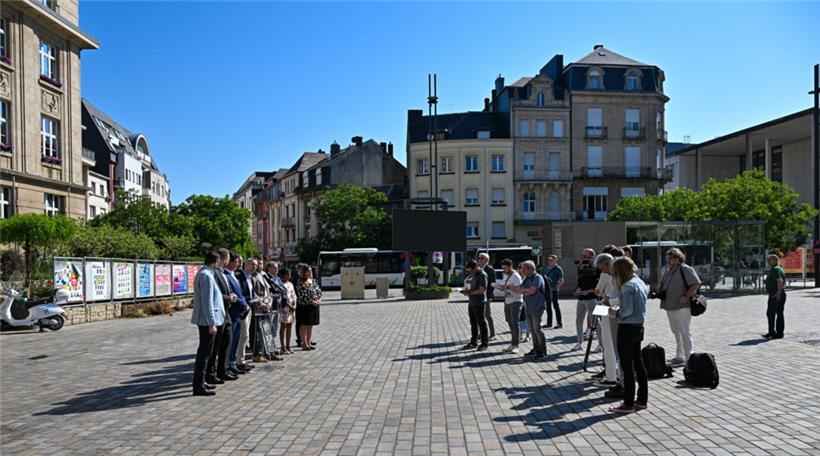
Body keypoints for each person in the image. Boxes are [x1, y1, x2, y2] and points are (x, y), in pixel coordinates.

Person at [608, 256, 649, 413]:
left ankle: (628, 403)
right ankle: (642, 399)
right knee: (638, 363)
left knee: (627, 366)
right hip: (639, 326)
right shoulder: (640, 282)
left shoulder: (627, 286)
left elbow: (627, 311)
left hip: (626, 327)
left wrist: (614, 312)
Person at [191, 252, 226, 396]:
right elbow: (207, 302)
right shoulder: (206, 275)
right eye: (218, 262)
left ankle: (202, 381)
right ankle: (198, 385)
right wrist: (211, 322)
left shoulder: (205, 273)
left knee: (206, 352)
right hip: (206, 321)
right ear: (215, 262)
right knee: (204, 354)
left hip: (207, 320)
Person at [658, 248, 700, 364]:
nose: (669, 260)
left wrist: (686, 296)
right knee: (676, 331)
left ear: (678, 258)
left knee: (684, 331)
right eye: (668, 258)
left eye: (672, 258)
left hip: (682, 306)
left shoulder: (685, 269)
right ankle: (680, 355)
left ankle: (689, 357)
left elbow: (696, 283)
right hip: (670, 305)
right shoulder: (668, 270)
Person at [206, 248, 238, 384]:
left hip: (226, 312)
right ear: (224, 258)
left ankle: (223, 370)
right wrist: (229, 298)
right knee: (217, 345)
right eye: (228, 258)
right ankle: (212, 373)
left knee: (227, 342)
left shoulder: (222, 273)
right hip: (220, 312)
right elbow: (215, 295)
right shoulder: (214, 274)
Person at [512, 260, 548, 359]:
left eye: (523, 269)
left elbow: (532, 291)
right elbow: (520, 290)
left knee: (537, 329)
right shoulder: (527, 278)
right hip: (528, 307)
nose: (521, 271)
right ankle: (536, 349)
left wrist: (526, 291)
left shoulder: (537, 277)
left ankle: (542, 351)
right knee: (532, 330)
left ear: (529, 269)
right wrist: (525, 291)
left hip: (537, 307)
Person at [224, 252, 251, 376]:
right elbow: (233, 295)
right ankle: (228, 365)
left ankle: (233, 363)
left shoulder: (234, 275)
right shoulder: (226, 275)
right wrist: (243, 305)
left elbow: (240, 293)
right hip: (234, 312)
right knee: (231, 341)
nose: (238, 264)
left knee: (236, 340)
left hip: (239, 313)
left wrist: (245, 305)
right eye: (236, 261)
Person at [493, 258, 523, 354]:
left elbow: (519, 289)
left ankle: (516, 345)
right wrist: (499, 287)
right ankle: (513, 343)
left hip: (516, 301)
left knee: (515, 323)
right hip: (508, 300)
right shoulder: (506, 275)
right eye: (503, 268)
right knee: (510, 322)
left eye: (505, 268)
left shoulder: (516, 276)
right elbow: (506, 288)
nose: (504, 270)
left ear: (510, 267)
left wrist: (507, 287)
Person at [237, 258, 263, 367]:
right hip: (243, 310)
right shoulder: (239, 277)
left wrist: (256, 297)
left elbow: (252, 293)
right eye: (252, 264)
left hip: (251, 309)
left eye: (256, 265)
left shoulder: (250, 278)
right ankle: (239, 361)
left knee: (247, 336)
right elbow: (240, 295)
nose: (254, 267)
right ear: (246, 265)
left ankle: (241, 360)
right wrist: (249, 300)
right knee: (243, 336)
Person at [461, 260, 489, 350]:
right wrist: (466, 292)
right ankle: (473, 342)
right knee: (473, 324)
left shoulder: (482, 275)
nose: (470, 272)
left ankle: (484, 343)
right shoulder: (474, 274)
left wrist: (470, 293)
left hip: (479, 302)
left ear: (476, 267)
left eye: (471, 270)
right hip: (472, 302)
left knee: (481, 323)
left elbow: (482, 290)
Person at [574, 248, 599, 351]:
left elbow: (599, 285)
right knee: (578, 320)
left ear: (592, 257)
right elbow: (579, 282)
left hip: (591, 298)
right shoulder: (581, 267)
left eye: (587, 257)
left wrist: (589, 291)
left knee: (595, 322)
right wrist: (577, 289)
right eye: (583, 256)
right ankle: (579, 342)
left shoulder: (597, 268)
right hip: (581, 298)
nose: (584, 259)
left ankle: (600, 344)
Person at [295, 263, 322, 350]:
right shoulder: (301, 282)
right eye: (308, 271)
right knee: (304, 325)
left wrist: (318, 300)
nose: (310, 273)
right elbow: (302, 295)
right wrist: (312, 301)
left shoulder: (313, 281)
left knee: (310, 325)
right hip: (305, 306)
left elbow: (319, 292)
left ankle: (309, 342)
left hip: (314, 306)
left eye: (310, 271)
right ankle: (304, 343)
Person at [763, 254, 786, 339]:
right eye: (767, 260)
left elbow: (779, 280)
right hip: (778, 293)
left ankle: (773, 332)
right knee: (778, 313)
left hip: (775, 294)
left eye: (769, 260)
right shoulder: (778, 268)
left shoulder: (776, 269)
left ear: (775, 260)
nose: (768, 261)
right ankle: (777, 333)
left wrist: (778, 293)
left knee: (771, 313)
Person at [477, 252, 497, 341]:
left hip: (486, 297)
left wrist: (488, 297)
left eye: (481, 258)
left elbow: (492, 284)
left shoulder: (490, 269)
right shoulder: (479, 269)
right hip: (479, 296)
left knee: (487, 315)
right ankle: (482, 333)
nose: (479, 260)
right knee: (480, 315)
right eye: (479, 258)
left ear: (487, 260)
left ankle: (493, 334)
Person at [543, 255, 564, 329]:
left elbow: (561, 280)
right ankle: (549, 323)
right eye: (549, 260)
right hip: (547, 290)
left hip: (554, 290)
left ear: (555, 261)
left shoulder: (558, 269)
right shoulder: (547, 268)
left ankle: (559, 323)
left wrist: (556, 288)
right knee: (548, 306)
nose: (550, 261)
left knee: (556, 306)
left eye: (551, 260)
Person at [279, 268, 297, 354]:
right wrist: (289, 306)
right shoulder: (280, 284)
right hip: (284, 308)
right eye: (287, 274)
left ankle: (288, 345)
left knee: (290, 326)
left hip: (292, 308)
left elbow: (294, 295)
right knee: (283, 326)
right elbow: (282, 298)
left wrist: (294, 305)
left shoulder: (290, 284)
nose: (289, 276)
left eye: (290, 274)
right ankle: (282, 347)